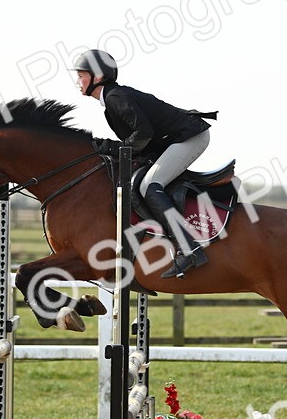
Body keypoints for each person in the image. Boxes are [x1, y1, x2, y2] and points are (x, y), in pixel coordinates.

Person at [70, 49, 216, 279]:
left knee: (149, 185)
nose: (77, 81)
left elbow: (143, 134)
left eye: (81, 75)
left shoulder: (114, 97)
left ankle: (189, 248)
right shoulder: (111, 99)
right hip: (174, 139)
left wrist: (113, 148)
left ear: (97, 77)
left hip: (189, 137)